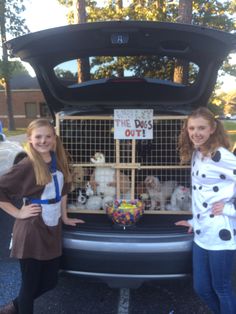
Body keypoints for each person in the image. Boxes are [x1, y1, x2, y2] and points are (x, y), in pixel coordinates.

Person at [0, 118, 84, 314]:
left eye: (48, 136)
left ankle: (13, 308)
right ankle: (19, 307)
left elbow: (62, 191)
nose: (43, 141)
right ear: (30, 139)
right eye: (38, 137)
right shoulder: (26, 165)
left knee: (50, 282)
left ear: (54, 138)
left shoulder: (59, 160)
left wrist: (64, 218)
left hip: (52, 228)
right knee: (29, 287)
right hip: (31, 230)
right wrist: (18, 212)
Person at [175, 107, 236, 314]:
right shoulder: (197, 153)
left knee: (222, 289)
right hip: (202, 233)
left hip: (221, 234)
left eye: (201, 128)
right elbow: (202, 194)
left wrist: (230, 209)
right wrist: (193, 221)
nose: (195, 132)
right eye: (191, 128)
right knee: (201, 288)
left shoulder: (221, 156)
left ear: (213, 129)